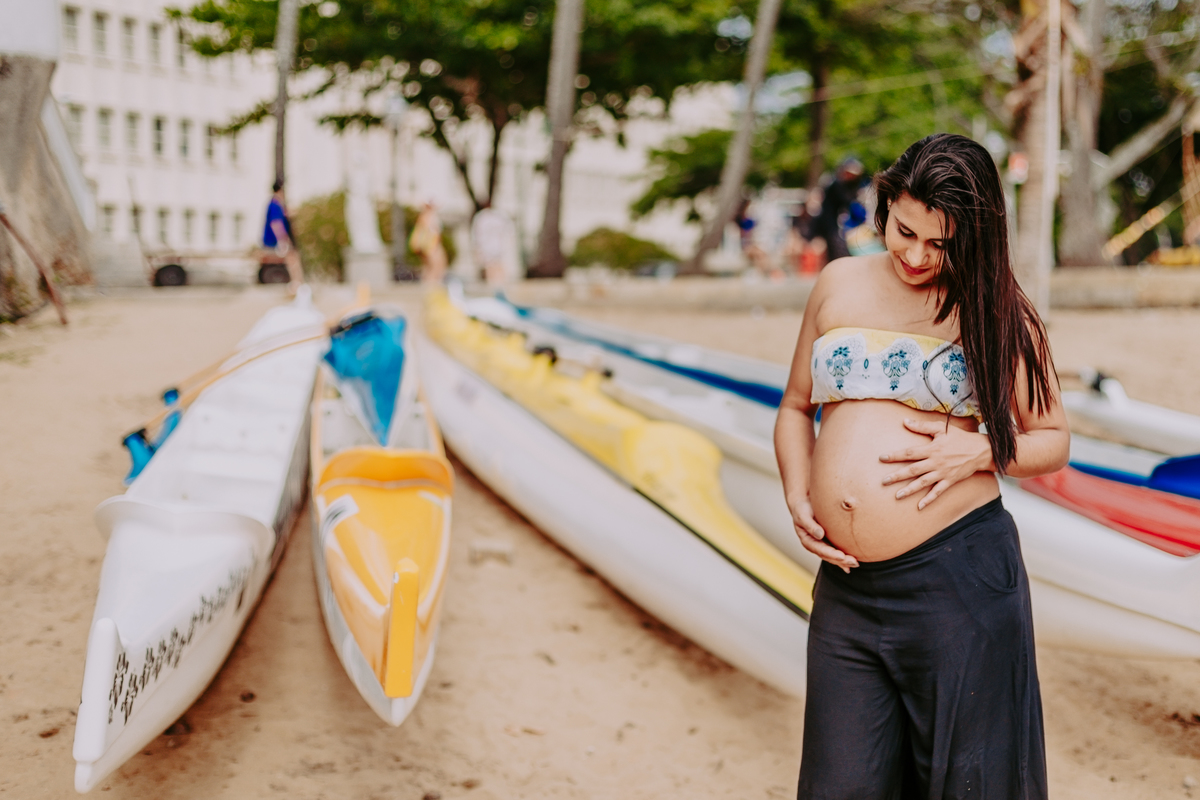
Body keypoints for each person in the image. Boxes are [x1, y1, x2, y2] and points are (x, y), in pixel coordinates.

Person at [774, 133, 1068, 799]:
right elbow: (795, 407)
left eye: (941, 244)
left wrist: (983, 447)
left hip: (955, 582)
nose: (915, 254)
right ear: (885, 208)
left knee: (970, 785)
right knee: (838, 786)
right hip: (847, 590)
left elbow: (1051, 437)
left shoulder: (997, 309)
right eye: (905, 231)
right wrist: (799, 492)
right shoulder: (837, 282)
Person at [812, 157, 866, 260]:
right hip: (829, 222)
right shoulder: (836, 184)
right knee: (836, 248)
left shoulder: (847, 185)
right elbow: (845, 201)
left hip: (834, 222)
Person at [262, 179, 303, 293]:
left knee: (293, 257)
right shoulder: (275, 204)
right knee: (292, 258)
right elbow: (276, 223)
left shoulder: (277, 204)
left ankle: (297, 284)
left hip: (276, 240)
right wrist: (283, 239)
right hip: (274, 241)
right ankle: (296, 284)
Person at [471, 201, 518, 287]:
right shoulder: (497, 216)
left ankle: (497, 286)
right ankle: (498, 286)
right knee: (495, 267)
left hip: (491, 248)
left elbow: (476, 235)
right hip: (494, 247)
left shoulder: (482, 217)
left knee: (493, 268)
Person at [409, 201, 448, 284]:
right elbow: (430, 231)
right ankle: (431, 288)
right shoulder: (428, 216)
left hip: (431, 245)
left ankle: (430, 287)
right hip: (431, 245)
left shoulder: (426, 215)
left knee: (432, 268)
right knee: (435, 267)